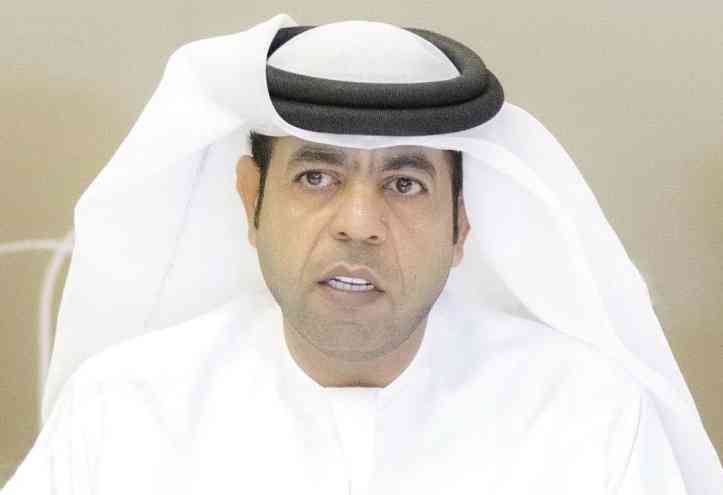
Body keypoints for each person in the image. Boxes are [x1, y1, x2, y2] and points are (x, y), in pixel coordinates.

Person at [3, 15, 721, 494]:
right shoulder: (123, 411)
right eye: (316, 177)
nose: (359, 224)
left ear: (460, 224)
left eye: (405, 184)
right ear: (251, 200)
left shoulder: (587, 414)